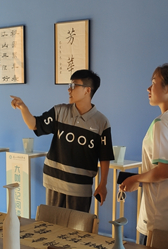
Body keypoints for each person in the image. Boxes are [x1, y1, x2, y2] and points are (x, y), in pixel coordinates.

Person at [10, 69, 113, 213]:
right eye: (70, 85)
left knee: (76, 226)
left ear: (87, 90)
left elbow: (105, 156)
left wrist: (103, 184)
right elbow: (34, 124)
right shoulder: (59, 111)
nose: (69, 89)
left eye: (74, 85)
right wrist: (23, 107)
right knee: (52, 224)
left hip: (80, 188)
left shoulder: (101, 122)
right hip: (54, 181)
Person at [119, 63, 168, 241]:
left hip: (161, 217)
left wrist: (135, 179)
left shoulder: (162, 122)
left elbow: (164, 171)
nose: (148, 88)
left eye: (154, 83)